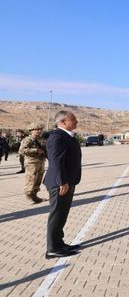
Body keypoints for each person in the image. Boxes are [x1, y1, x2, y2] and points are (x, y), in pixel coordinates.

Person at [43, 111, 82, 259]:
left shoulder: (66, 136)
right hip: (60, 183)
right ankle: (52, 248)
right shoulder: (57, 136)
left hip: (67, 181)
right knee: (57, 215)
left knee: (62, 215)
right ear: (63, 122)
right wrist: (62, 181)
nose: (76, 121)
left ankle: (59, 243)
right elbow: (55, 160)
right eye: (74, 119)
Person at [19, 123, 47, 204]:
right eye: (36, 130)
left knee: (38, 179)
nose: (39, 131)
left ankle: (35, 196)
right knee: (31, 179)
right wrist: (35, 150)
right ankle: (29, 196)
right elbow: (21, 151)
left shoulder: (41, 139)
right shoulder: (27, 140)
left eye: (40, 130)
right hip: (31, 163)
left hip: (41, 161)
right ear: (31, 131)